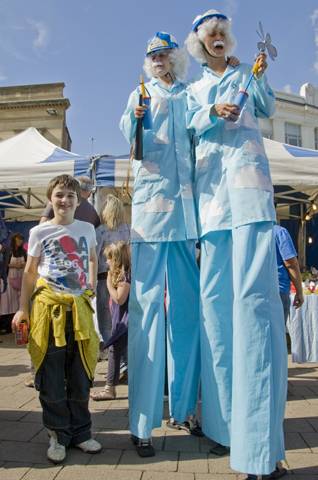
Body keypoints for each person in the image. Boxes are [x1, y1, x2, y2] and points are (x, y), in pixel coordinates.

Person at [185, 10, 287, 479]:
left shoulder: (248, 73)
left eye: (223, 34)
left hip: (248, 196)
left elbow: (265, 108)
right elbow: (187, 128)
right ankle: (224, 427)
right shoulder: (193, 90)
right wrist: (211, 112)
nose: (218, 40)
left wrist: (260, 73)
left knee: (255, 307)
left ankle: (261, 450)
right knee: (214, 314)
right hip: (212, 207)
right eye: (211, 36)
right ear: (201, 45)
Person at [120, 32, 201, 457]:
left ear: (174, 59)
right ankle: (142, 424)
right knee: (147, 315)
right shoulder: (140, 93)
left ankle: (185, 408)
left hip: (186, 218)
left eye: (164, 54)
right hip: (151, 217)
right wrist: (134, 116)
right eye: (152, 54)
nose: (158, 60)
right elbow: (127, 135)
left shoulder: (189, 93)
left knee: (187, 313)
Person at [11, 174, 102, 464]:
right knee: (51, 374)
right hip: (48, 308)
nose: (65, 200)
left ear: (79, 199)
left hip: (79, 309)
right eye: (59, 195)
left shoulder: (87, 228)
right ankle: (58, 435)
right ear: (51, 199)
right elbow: (29, 271)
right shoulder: (39, 232)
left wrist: (89, 286)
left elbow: (92, 258)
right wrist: (23, 308)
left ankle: (81, 433)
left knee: (81, 372)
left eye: (70, 195)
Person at [91, 241, 130, 401]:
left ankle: (109, 389)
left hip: (124, 323)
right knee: (118, 353)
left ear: (116, 259)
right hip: (120, 322)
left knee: (115, 352)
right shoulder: (122, 275)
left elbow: (120, 299)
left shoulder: (123, 276)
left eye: (108, 259)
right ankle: (110, 387)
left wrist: (107, 283)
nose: (106, 261)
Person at [95, 194, 130, 353]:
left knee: (105, 316)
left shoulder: (100, 231)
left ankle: (111, 350)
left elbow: (94, 256)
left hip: (105, 276)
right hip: (124, 276)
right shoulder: (128, 229)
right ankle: (122, 351)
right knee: (122, 314)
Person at [274, 224, 304, 321]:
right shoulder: (279, 232)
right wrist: (299, 292)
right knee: (278, 332)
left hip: (253, 291)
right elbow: (291, 264)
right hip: (278, 291)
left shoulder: (246, 232)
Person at [0, 233, 26, 331]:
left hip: (21, 278)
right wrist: (15, 266)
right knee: (7, 303)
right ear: (14, 240)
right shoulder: (8, 251)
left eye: (21, 240)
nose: (20, 242)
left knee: (17, 303)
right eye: (18, 239)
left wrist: (24, 264)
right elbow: (5, 264)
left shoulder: (23, 251)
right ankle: (5, 325)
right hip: (9, 278)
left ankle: (16, 324)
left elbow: (28, 262)